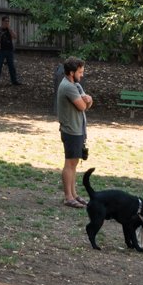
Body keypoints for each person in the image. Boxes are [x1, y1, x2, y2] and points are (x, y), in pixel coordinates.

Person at [55, 58, 93, 207]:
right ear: (71, 72)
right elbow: (83, 106)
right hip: (71, 130)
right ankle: (68, 197)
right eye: (80, 72)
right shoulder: (68, 87)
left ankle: (74, 195)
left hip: (78, 130)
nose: (82, 75)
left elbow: (87, 103)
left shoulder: (75, 85)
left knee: (74, 163)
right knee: (69, 164)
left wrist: (88, 101)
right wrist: (87, 100)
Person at [0, 15, 19, 86]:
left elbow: (15, 37)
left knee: (12, 66)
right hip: (1, 51)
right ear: (2, 22)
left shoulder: (9, 30)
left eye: (8, 21)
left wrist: (9, 29)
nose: (7, 22)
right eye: (6, 21)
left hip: (9, 50)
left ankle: (14, 81)